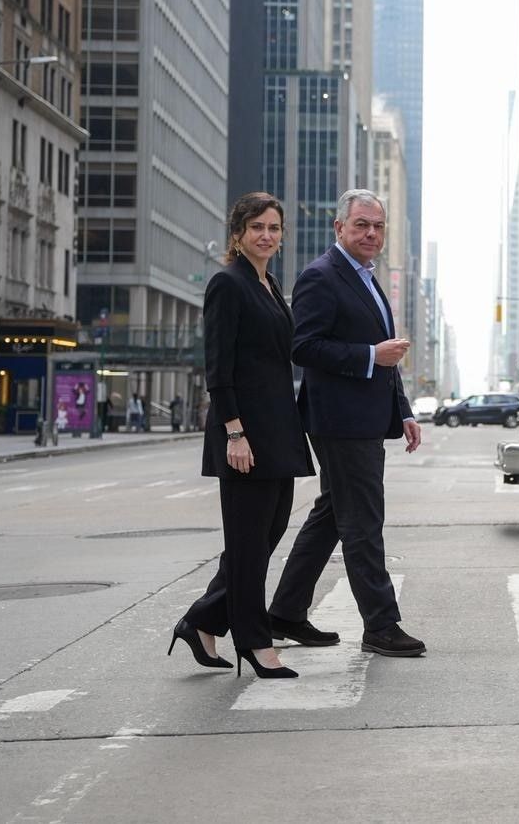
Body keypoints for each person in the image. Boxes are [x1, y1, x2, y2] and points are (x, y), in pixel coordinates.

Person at [268, 189, 425, 658]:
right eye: (361, 225)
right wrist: (369, 356)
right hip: (340, 420)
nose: (371, 233)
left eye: (377, 226)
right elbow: (304, 347)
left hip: (366, 416)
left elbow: (387, 351)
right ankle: (381, 625)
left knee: (332, 516)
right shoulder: (322, 277)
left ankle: (286, 612)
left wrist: (403, 410)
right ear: (339, 229)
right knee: (362, 522)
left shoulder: (369, 279)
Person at [173, 192, 312, 680]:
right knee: (250, 543)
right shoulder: (227, 284)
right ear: (238, 233)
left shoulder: (269, 283)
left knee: (263, 537)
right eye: (257, 227)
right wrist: (234, 432)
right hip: (245, 435)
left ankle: (204, 618)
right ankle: (255, 642)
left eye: (274, 228)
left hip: (278, 431)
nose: (267, 236)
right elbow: (219, 365)